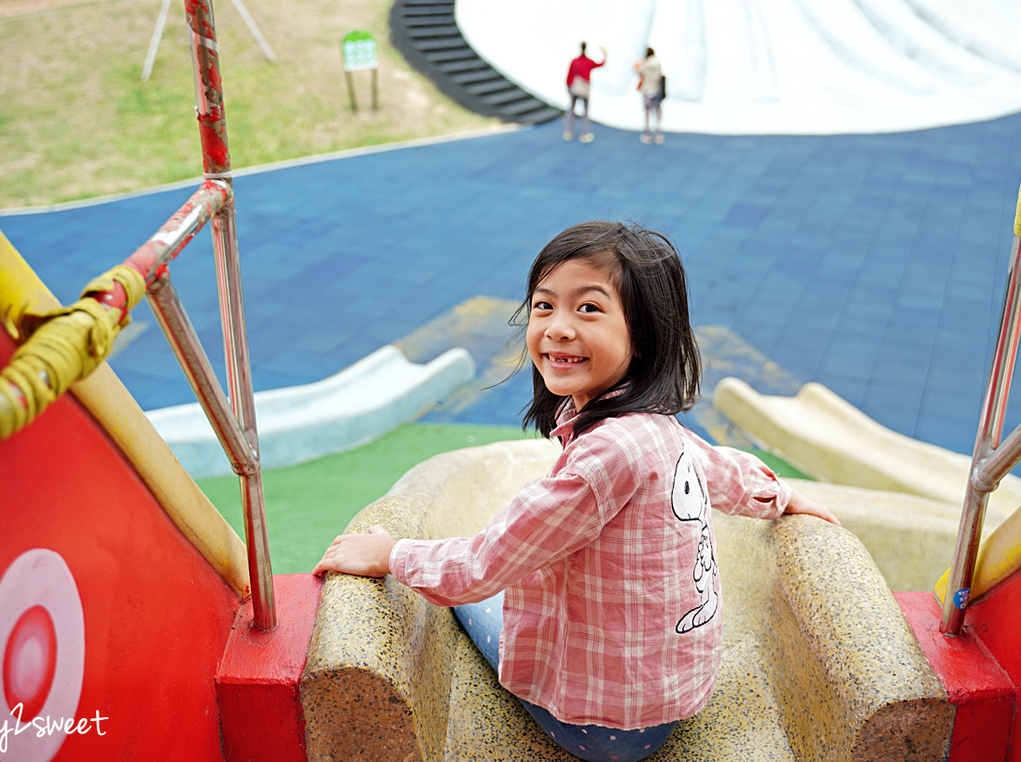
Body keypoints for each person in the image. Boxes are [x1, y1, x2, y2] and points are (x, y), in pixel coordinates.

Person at [314, 221, 840, 762]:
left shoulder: (605, 458)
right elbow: (715, 466)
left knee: (473, 604)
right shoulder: (654, 425)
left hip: (608, 725)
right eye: (543, 307)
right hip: (674, 689)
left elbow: (484, 565)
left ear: (645, 332)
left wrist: (391, 554)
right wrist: (779, 496)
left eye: (588, 309)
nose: (557, 329)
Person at [563, 42, 605, 143]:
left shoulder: (575, 61)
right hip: (584, 89)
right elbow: (600, 64)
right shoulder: (588, 61)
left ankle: (569, 132)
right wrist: (605, 55)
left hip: (575, 88)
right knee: (585, 112)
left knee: (571, 110)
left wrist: (569, 88)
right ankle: (585, 133)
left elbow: (569, 75)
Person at [634, 47, 665, 145]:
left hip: (647, 90)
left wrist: (641, 62)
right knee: (657, 112)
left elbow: (637, 71)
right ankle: (658, 134)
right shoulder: (657, 63)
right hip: (656, 90)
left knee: (647, 112)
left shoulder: (646, 64)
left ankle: (647, 134)